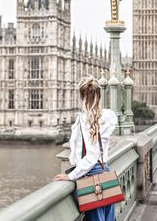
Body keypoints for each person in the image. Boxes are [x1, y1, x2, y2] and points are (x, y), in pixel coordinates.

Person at [54, 75, 117, 221]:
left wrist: (70, 176)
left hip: (91, 177)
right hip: (105, 172)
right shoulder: (107, 116)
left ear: (82, 96)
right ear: (99, 95)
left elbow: (91, 156)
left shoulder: (84, 119)